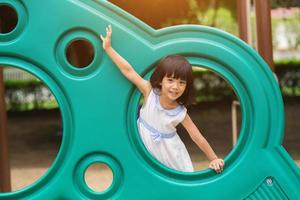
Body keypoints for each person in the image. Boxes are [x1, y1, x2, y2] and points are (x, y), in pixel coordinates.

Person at [100, 25, 224, 173]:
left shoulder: (180, 112)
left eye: (181, 82)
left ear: (186, 86)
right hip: (145, 152)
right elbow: (128, 70)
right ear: (161, 80)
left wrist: (214, 158)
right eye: (170, 80)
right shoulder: (150, 92)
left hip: (171, 155)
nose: (175, 86)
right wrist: (108, 49)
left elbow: (197, 137)